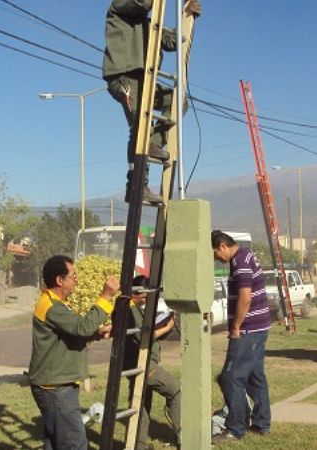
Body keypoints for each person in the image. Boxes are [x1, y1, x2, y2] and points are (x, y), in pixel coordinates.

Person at [102, 0, 201, 203]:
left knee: (177, 102)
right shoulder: (119, 7)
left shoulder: (151, 25)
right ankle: (137, 184)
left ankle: (152, 144)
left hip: (146, 80)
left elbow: (174, 41)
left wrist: (186, 15)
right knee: (140, 125)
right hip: (125, 77)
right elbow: (142, 3)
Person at [28, 255, 119, 450]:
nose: (76, 280)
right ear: (60, 280)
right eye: (73, 276)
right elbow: (81, 328)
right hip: (55, 388)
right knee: (74, 444)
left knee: (55, 443)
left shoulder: (56, 304)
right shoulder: (52, 307)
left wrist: (95, 333)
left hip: (53, 385)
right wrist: (105, 296)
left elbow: (73, 332)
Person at [210, 230, 271, 443]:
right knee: (255, 377)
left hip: (248, 331)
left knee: (230, 378)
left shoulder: (239, 262)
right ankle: (261, 424)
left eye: (216, 254)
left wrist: (235, 327)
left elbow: (245, 297)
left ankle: (235, 428)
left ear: (222, 246)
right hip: (259, 328)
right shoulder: (246, 255)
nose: (217, 259)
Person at [123, 275, 180, 450]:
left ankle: (137, 445)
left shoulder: (132, 307)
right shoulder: (130, 308)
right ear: (137, 292)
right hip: (143, 364)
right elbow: (144, 336)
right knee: (175, 391)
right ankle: (185, 436)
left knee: (141, 406)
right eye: (145, 296)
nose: (146, 300)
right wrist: (167, 327)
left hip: (140, 363)